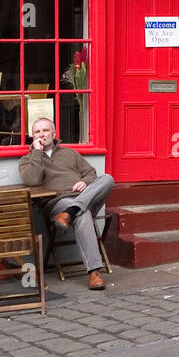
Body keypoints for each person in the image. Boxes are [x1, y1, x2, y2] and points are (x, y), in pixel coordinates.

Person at [18, 117, 113, 290]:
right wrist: (37, 153)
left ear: (54, 134)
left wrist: (85, 183)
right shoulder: (27, 160)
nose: (42, 134)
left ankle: (72, 210)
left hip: (84, 197)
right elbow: (32, 181)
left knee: (108, 178)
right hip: (59, 203)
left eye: (46, 130)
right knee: (82, 214)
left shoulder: (70, 153)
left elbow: (91, 173)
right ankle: (94, 273)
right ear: (33, 137)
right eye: (37, 132)